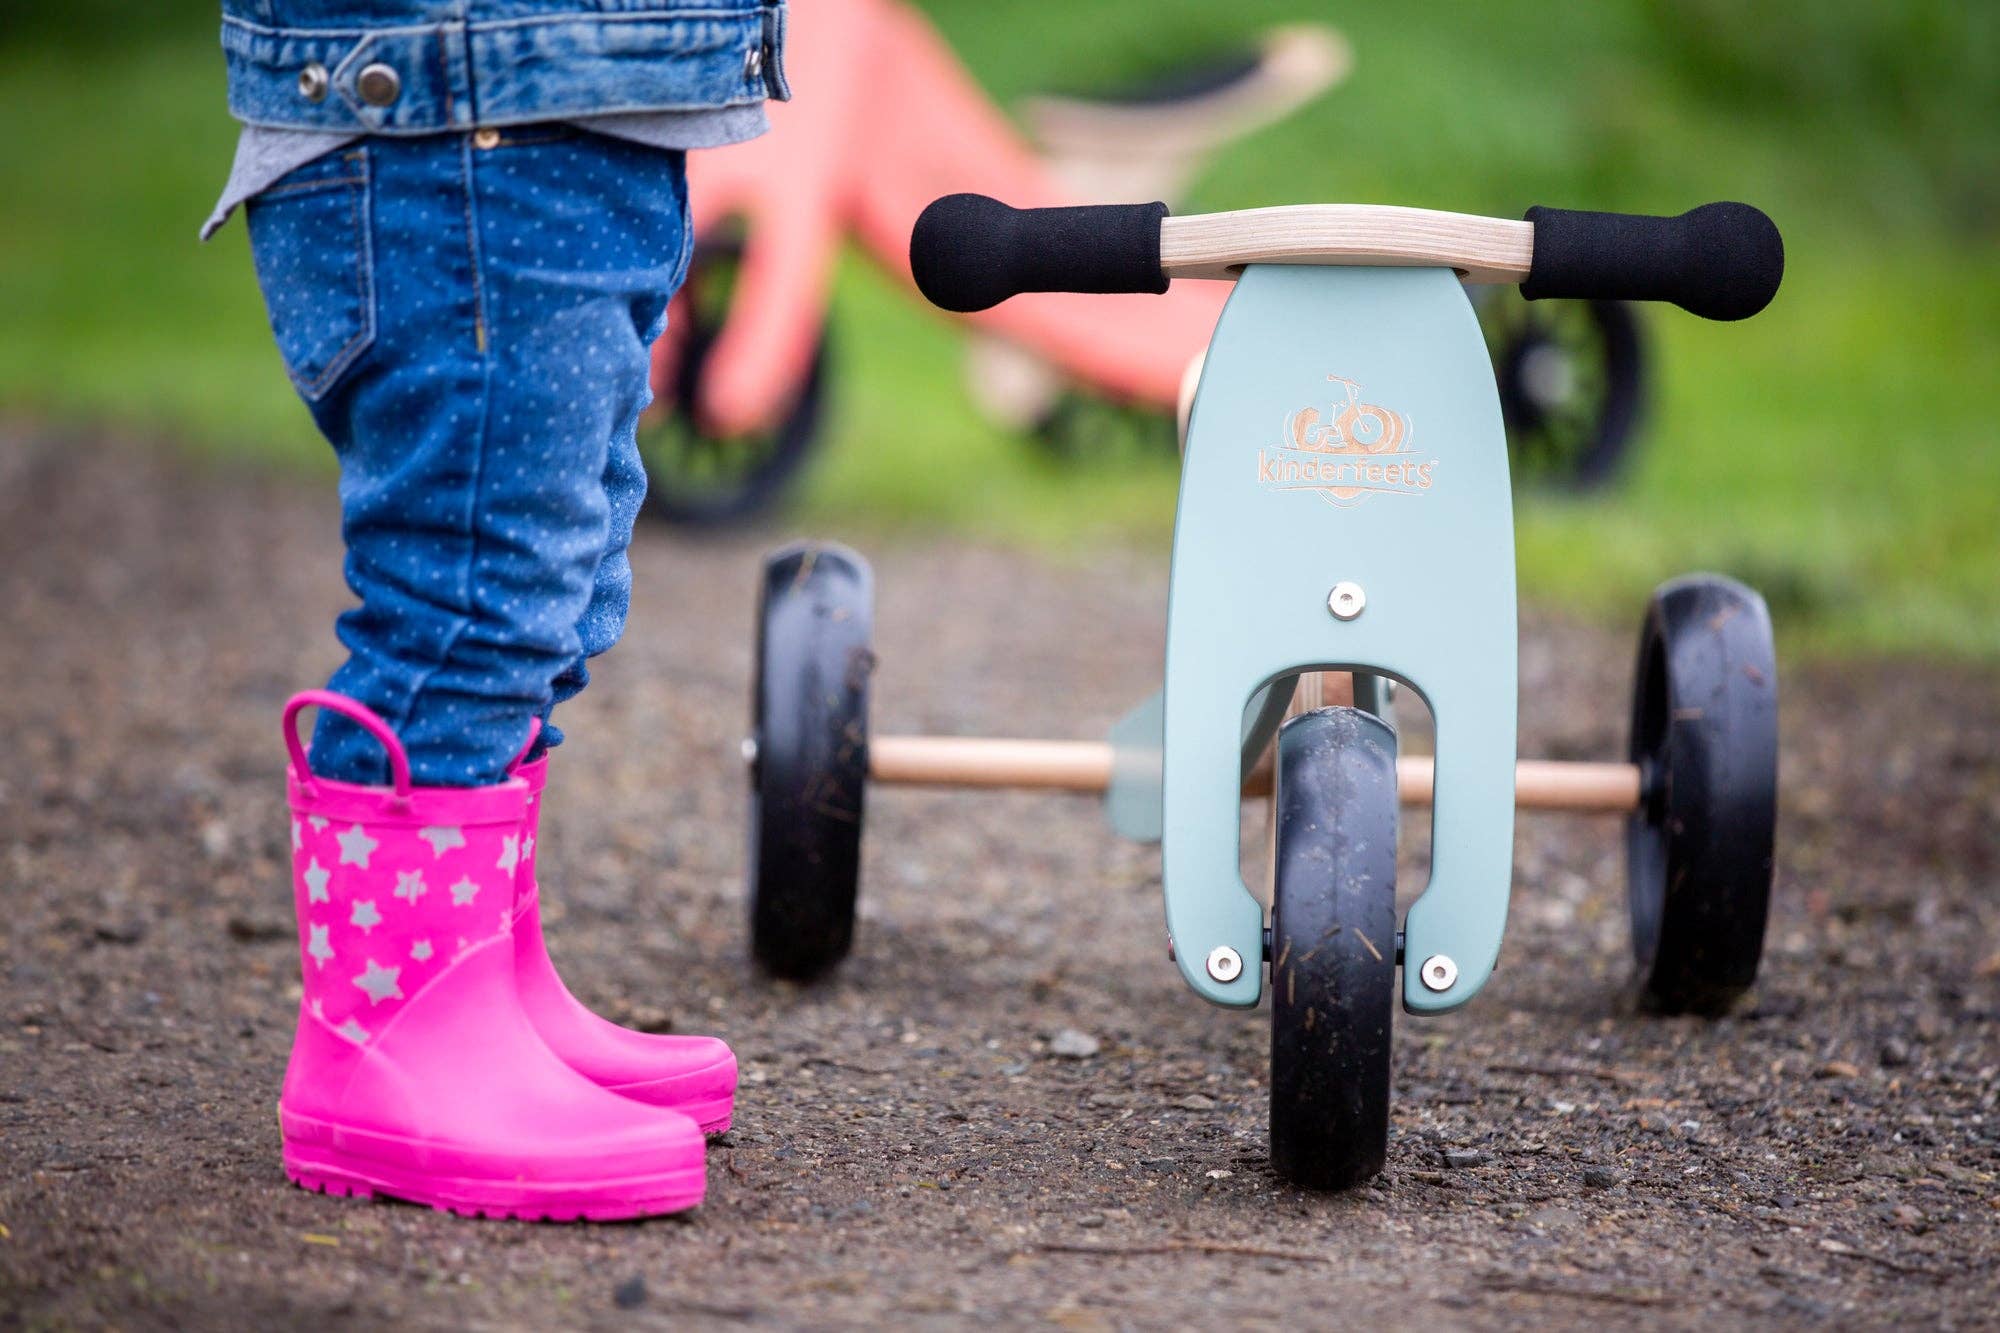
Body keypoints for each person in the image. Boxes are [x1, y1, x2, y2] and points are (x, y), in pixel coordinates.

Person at [205, 0, 789, 1221]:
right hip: (464, 121)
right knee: (476, 586)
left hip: (569, 114)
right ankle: (393, 1039)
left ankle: (484, 983)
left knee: (554, 575)